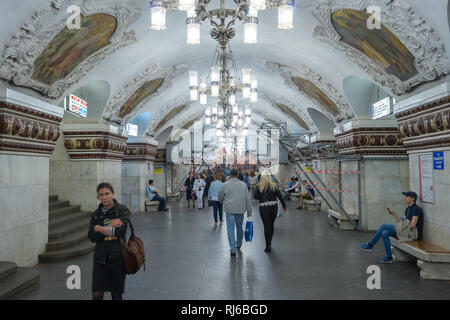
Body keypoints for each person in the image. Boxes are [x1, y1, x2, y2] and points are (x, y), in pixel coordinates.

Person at [88, 182, 129, 300]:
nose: (104, 197)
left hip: (117, 258)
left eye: (107, 193)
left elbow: (120, 232)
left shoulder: (121, 210)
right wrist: (109, 227)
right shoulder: (96, 214)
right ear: (98, 197)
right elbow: (91, 236)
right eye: (101, 195)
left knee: (116, 294)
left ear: (113, 194)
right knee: (97, 295)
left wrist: (98, 228)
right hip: (99, 259)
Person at [360, 191, 423, 263]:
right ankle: (389, 257)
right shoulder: (407, 209)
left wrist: (402, 225)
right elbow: (402, 222)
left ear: (412, 199)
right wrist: (393, 214)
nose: (404, 198)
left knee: (384, 226)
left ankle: (370, 245)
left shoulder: (416, 209)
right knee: (385, 233)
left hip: (411, 234)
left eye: (407, 196)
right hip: (405, 231)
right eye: (405, 196)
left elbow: (412, 226)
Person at [218, 169, 252, 256]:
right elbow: (248, 199)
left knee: (230, 229)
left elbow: (220, 196)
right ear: (237, 174)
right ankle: (239, 244)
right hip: (240, 209)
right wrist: (249, 211)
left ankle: (232, 249)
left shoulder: (225, 185)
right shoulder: (243, 185)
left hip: (229, 209)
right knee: (239, 227)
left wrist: (223, 202)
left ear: (230, 174)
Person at [253, 174, 287, 253]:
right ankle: (270, 242)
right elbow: (280, 196)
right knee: (271, 225)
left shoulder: (258, 186)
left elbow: (255, 196)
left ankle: (267, 245)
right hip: (274, 206)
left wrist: (261, 198)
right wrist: (284, 206)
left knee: (266, 226)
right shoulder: (274, 186)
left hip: (263, 207)